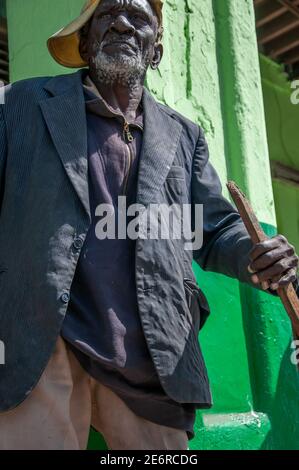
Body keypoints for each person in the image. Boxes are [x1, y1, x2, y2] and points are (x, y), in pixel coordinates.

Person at [0, 0, 298, 450]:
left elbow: (214, 229)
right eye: (108, 15)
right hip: (41, 338)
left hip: (152, 350)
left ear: (155, 49)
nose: (122, 22)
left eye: (138, 18)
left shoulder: (184, 136)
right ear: (85, 41)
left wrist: (258, 256)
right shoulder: (21, 105)